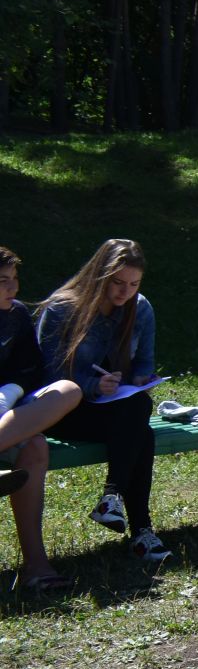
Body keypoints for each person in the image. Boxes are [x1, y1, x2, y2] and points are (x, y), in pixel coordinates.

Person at [35, 239, 171, 564]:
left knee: (138, 415)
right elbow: (47, 377)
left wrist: (140, 380)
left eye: (134, 284)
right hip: (63, 410)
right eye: (118, 283)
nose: (126, 292)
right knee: (140, 426)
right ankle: (140, 529)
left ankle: (117, 506)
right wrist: (94, 385)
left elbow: (145, 363)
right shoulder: (62, 310)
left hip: (114, 408)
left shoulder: (141, 308)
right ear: (99, 276)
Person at [0, 246, 84, 591]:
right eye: (4, 281)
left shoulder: (16, 315)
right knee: (34, 446)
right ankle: (36, 566)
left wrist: (7, 393)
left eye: (14, 279)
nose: (13, 289)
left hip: (8, 413)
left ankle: (35, 567)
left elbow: (32, 371)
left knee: (68, 390)